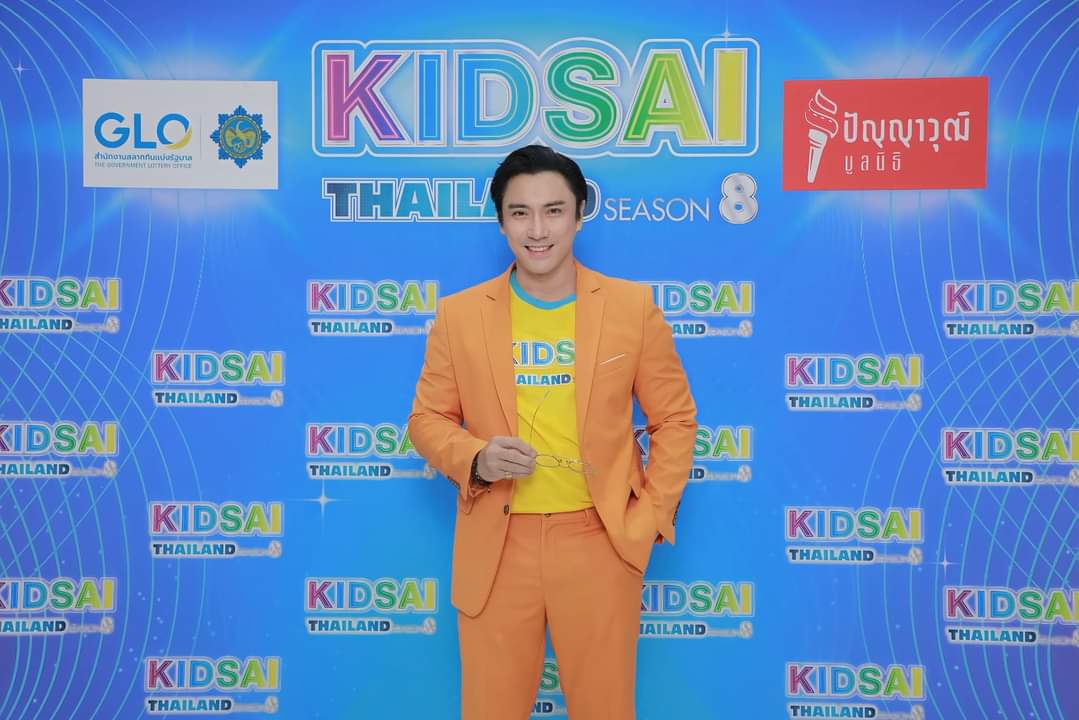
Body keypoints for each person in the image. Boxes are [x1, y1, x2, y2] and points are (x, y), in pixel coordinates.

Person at [408, 144, 696, 720]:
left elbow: (675, 419)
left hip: (598, 540)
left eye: (553, 211)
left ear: (579, 215)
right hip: (497, 545)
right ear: (501, 222)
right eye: (520, 213)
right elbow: (426, 420)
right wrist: (476, 457)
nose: (537, 230)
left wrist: (646, 519)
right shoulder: (460, 315)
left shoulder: (631, 307)